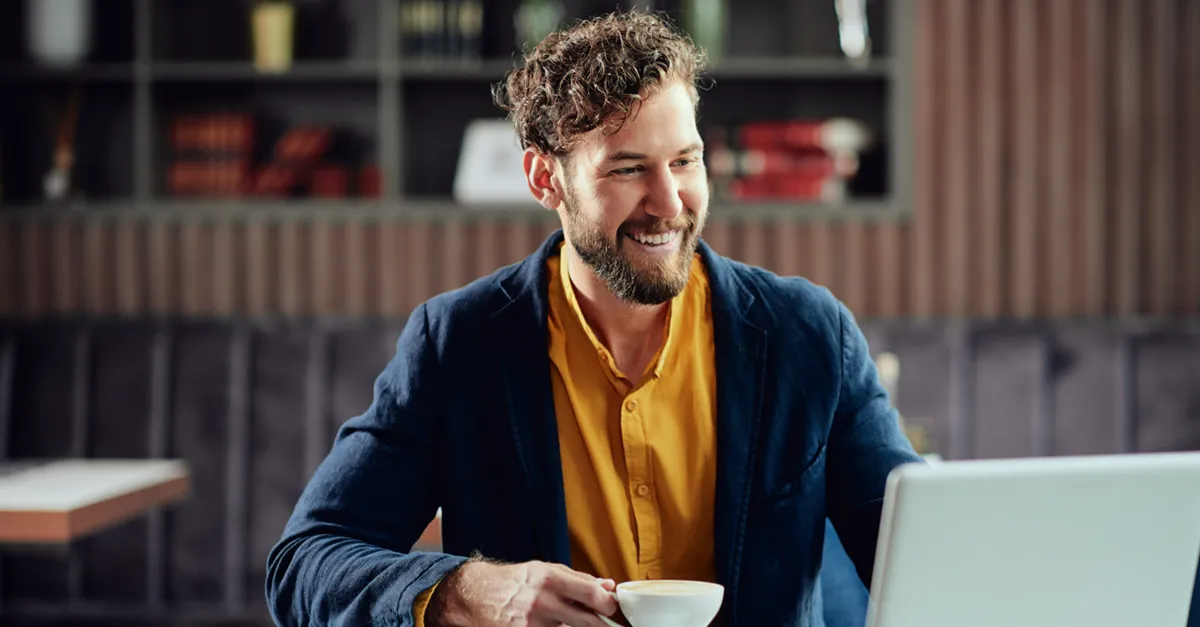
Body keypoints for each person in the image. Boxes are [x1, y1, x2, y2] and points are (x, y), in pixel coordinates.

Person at [265, 10, 921, 627]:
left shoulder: (809, 334)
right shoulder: (458, 343)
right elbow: (304, 562)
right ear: (544, 178)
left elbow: (919, 556)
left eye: (685, 161)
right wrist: (464, 590)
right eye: (629, 168)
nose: (669, 202)